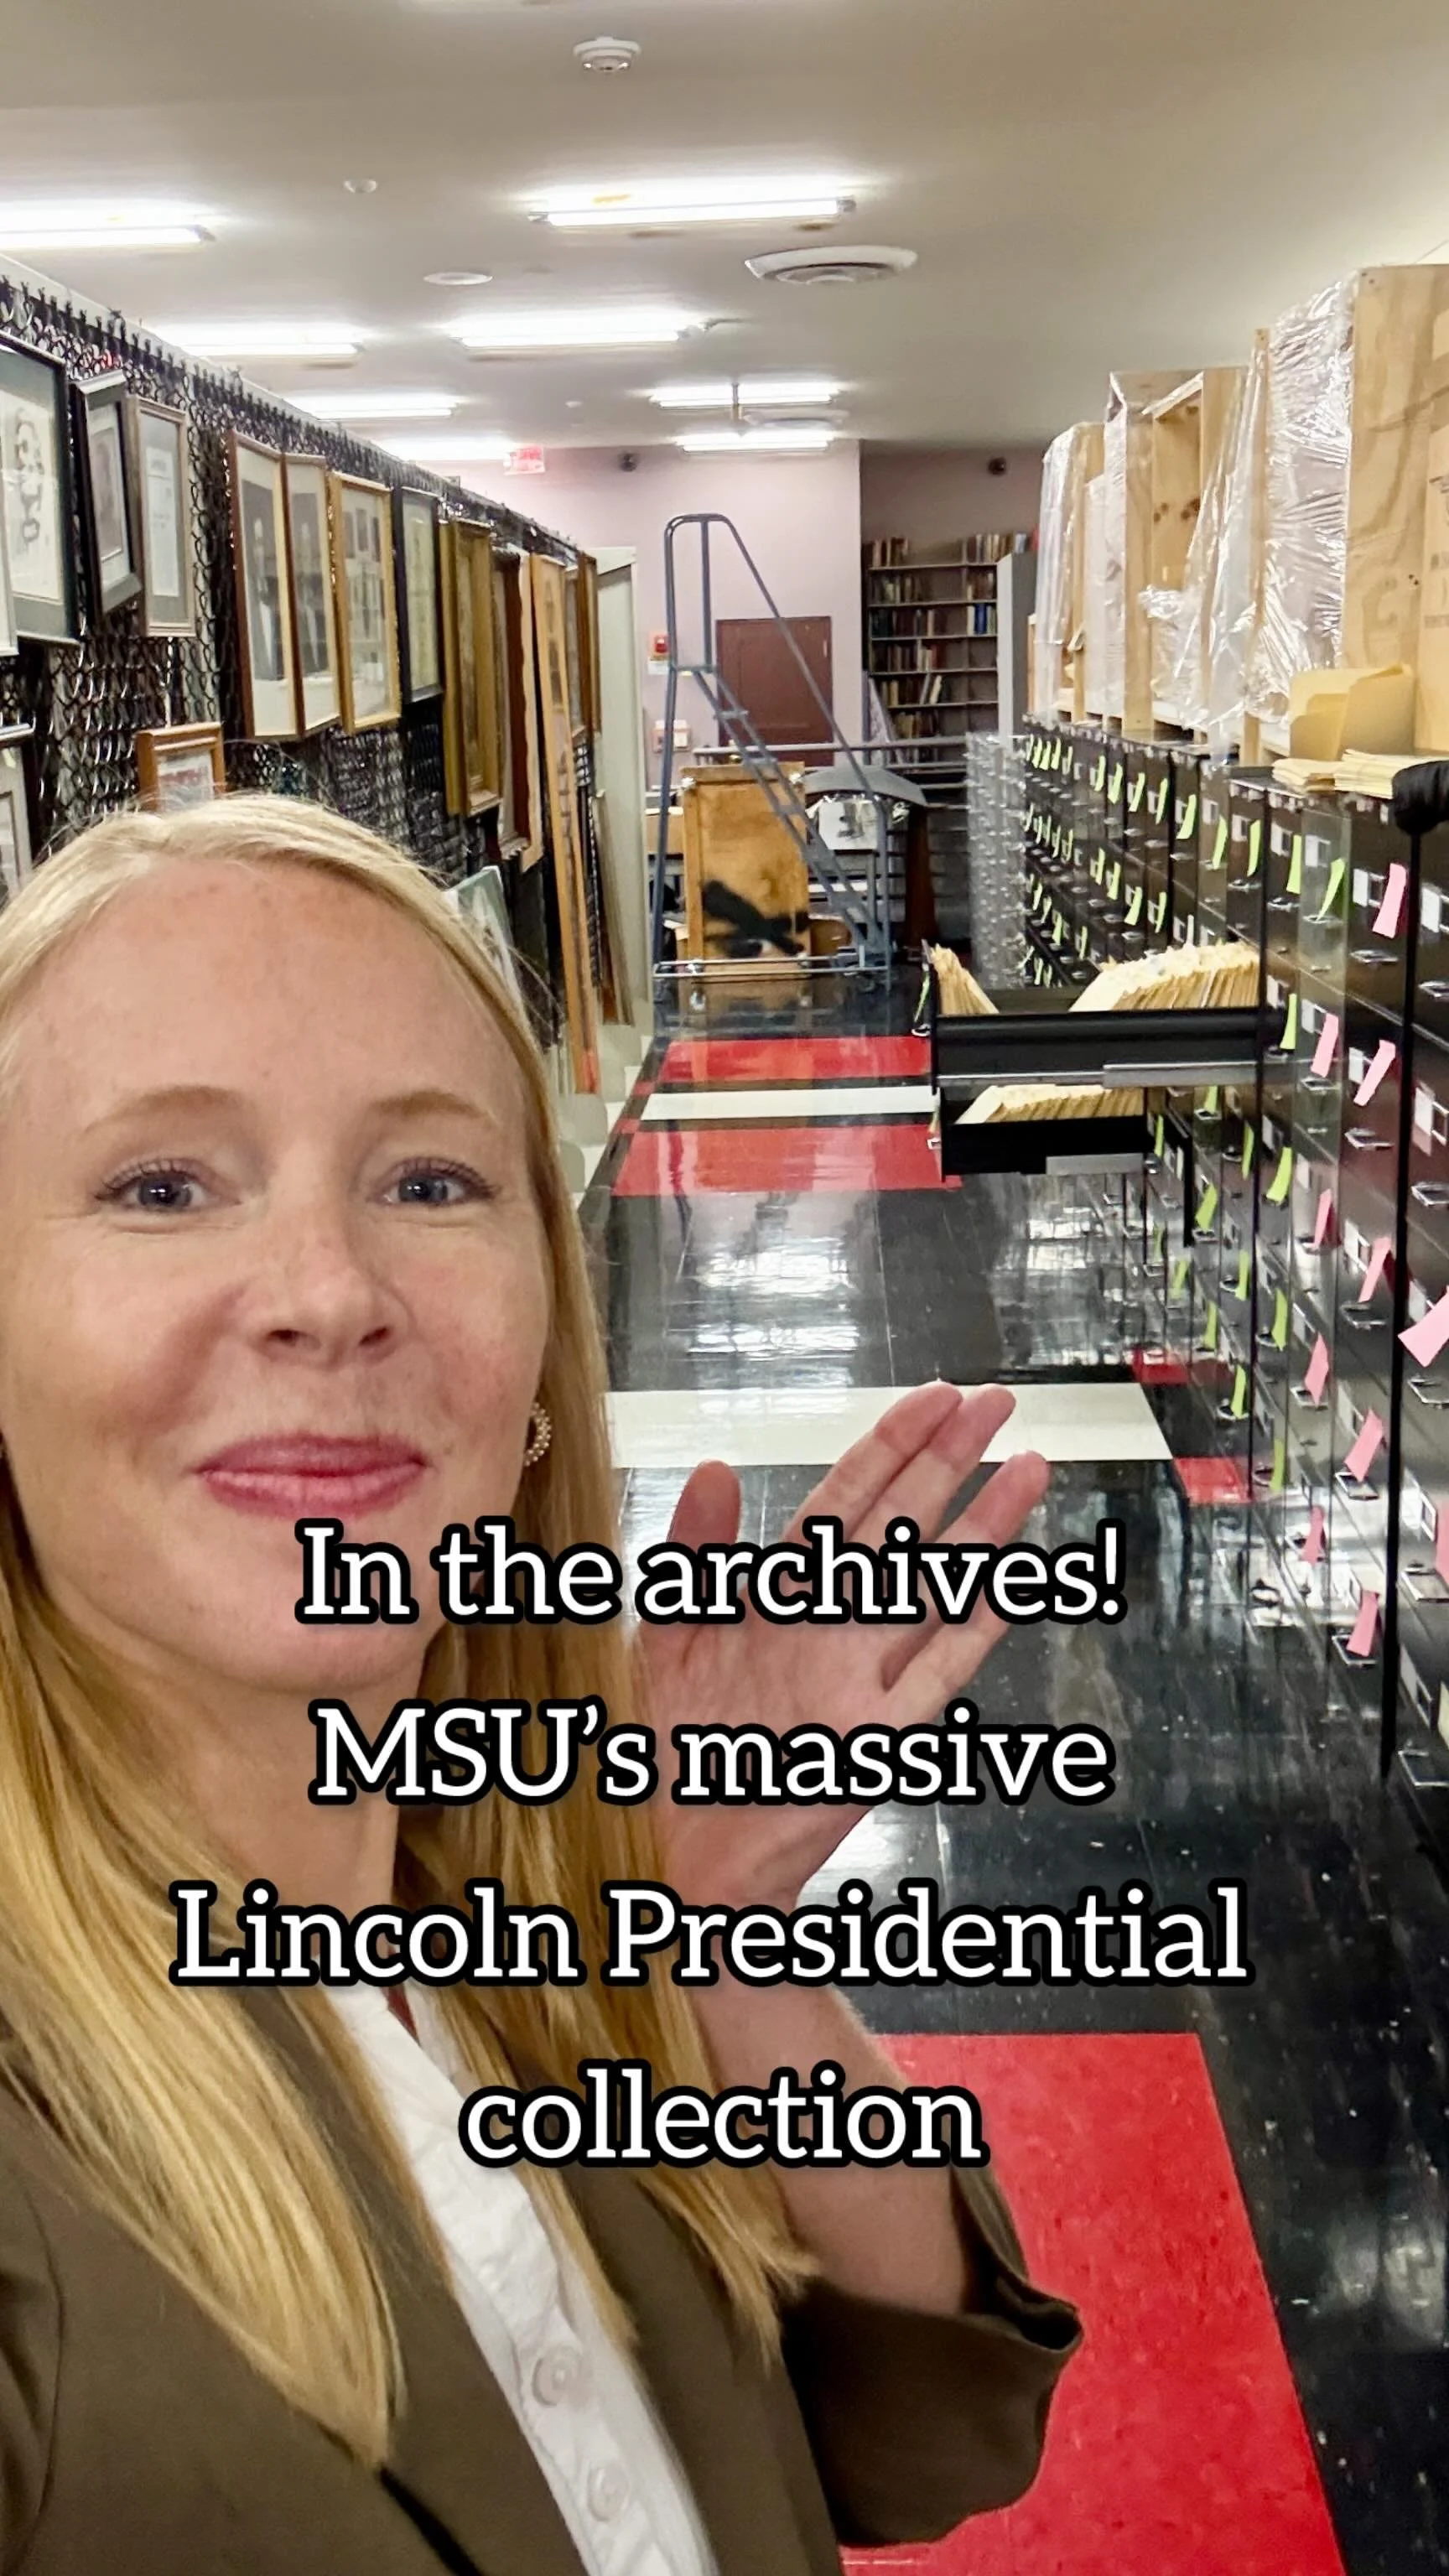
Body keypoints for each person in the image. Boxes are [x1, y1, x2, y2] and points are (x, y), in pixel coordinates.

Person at [0, 796, 1080, 2574]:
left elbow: (916, 2433)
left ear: (536, 1374)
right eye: (161, 1187)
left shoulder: (504, 1909)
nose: (327, 1293)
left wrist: (705, 1929)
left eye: (429, 1182)